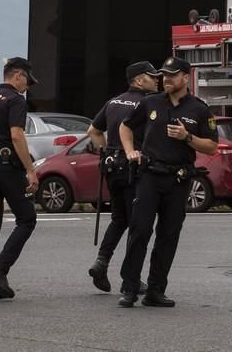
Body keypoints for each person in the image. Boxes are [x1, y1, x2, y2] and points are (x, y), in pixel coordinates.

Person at [117, 56, 218, 307]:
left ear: (185, 77)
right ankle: (129, 287)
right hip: (150, 175)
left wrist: (187, 137)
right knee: (140, 230)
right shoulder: (150, 102)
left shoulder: (199, 109)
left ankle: (155, 290)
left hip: (178, 179)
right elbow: (125, 126)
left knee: (168, 235)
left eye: (172, 75)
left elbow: (212, 146)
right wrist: (130, 150)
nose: (167, 79)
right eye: (164, 75)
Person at [86, 61, 161, 293]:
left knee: (119, 219)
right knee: (138, 224)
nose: (157, 80)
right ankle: (131, 276)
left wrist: (106, 151)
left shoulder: (113, 102)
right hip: (134, 168)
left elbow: (93, 131)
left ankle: (101, 261)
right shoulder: (147, 103)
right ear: (139, 80)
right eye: (152, 77)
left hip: (111, 167)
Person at [0, 57, 40, 300]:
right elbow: (16, 136)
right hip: (6, 166)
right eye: (27, 82)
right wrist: (30, 170)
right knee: (27, 219)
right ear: (18, 76)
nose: (27, 87)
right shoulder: (15, 100)